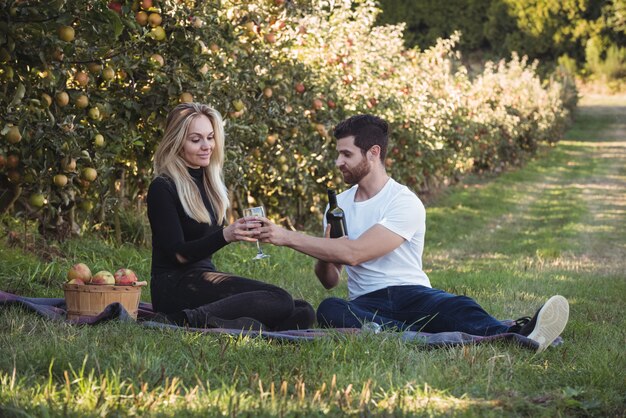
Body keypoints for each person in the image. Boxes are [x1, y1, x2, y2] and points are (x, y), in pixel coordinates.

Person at [253, 114, 569, 352]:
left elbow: (355, 253)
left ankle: (520, 333)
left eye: (346, 154)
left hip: (411, 293)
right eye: (338, 154)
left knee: (456, 306)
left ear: (373, 153)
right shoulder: (339, 206)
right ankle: (420, 333)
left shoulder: (403, 202)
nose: (339, 162)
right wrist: (325, 248)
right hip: (365, 302)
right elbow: (329, 280)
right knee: (329, 309)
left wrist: (285, 236)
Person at [146, 102, 315, 331]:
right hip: (175, 287)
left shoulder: (210, 185)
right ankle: (186, 320)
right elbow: (179, 255)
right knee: (280, 298)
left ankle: (233, 324)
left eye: (210, 137)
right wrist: (226, 235)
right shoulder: (163, 187)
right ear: (177, 143)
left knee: (303, 310)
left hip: (204, 278)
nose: (207, 146)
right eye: (196, 140)